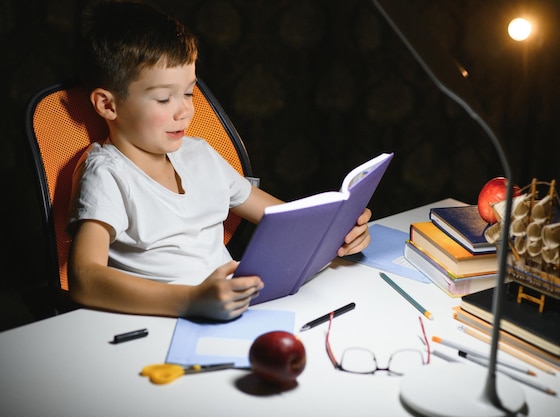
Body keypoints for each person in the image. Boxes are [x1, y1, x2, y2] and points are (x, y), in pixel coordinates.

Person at [67, 0, 372, 322]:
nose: (185, 110)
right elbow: (85, 278)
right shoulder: (106, 174)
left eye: (188, 93)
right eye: (163, 98)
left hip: (231, 308)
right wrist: (191, 300)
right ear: (107, 105)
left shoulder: (199, 154)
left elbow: (285, 219)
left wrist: (340, 230)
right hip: (159, 319)